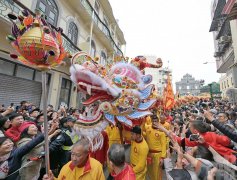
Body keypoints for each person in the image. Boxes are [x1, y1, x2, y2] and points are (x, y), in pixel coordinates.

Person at [144, 114, 166, 180]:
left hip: (158, 155)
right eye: (153, 121)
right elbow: (142, 128)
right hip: (149, 154)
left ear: (158, 122)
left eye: (156, 121)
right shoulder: (148, 128)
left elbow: (164, 145)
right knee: (150, 171)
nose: (154, 123)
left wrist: (162, 157)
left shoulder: (161, 132)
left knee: (157, 172)